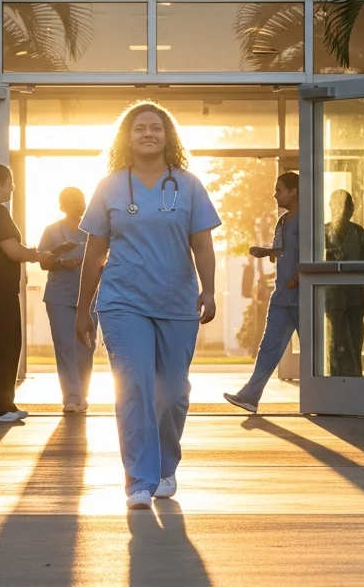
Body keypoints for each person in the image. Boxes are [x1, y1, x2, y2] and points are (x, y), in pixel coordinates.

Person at [74, 102, 220, 510]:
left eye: (156, 127)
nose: (148, 133)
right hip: (123, 302)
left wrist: (209, 290)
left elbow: (203, 245)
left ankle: (165, 467)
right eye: (139, 128)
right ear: (127, 137)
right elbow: (94, 253)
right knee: (134, 388)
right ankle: (139, 479)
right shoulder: (109, 187)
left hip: (176, 301)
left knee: (172, 394)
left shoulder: (188, 185)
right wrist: (83, 308)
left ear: (168, 136)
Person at [0, 164, 57, 423]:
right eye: (10, 182)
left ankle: (4, 404)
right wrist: (38, 255)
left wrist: (35, 253)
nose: (13, 187)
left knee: (7, 343)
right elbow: (14, 251)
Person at [224, 172, 300, 413]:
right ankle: (250, 395)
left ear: (294, 191)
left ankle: (334, 399)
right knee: (268, 347)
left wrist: (297, 278)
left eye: (279, 190)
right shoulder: (282, 221)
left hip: (304, 299)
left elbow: (313, 253)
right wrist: (265, 252)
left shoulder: (309, 220)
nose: (275, 195)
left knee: (316, 351)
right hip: (282, 299)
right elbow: (282, 251)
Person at [38, 187, 94, 413]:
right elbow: (42, 261)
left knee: (85, 348)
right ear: (62, 206)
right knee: (65, 347)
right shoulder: (51, 231)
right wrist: (61, 262)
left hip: (90, 298)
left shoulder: (94, 231)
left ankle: (82, 396)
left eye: (80, 200)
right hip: (59, 297)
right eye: (71, 201)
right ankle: (71, 397)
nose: (77, 204)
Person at [324, 189, 364, 377]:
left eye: (348, 206)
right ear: (331, 207)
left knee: (355, 339)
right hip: (333, 294)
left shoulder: (358, 232)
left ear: (352, 208)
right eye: (339, 206)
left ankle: (355, 379)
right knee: (335, 340)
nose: (344, 210)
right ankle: (335, 379)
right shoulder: (324, 231)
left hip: (355, 294)